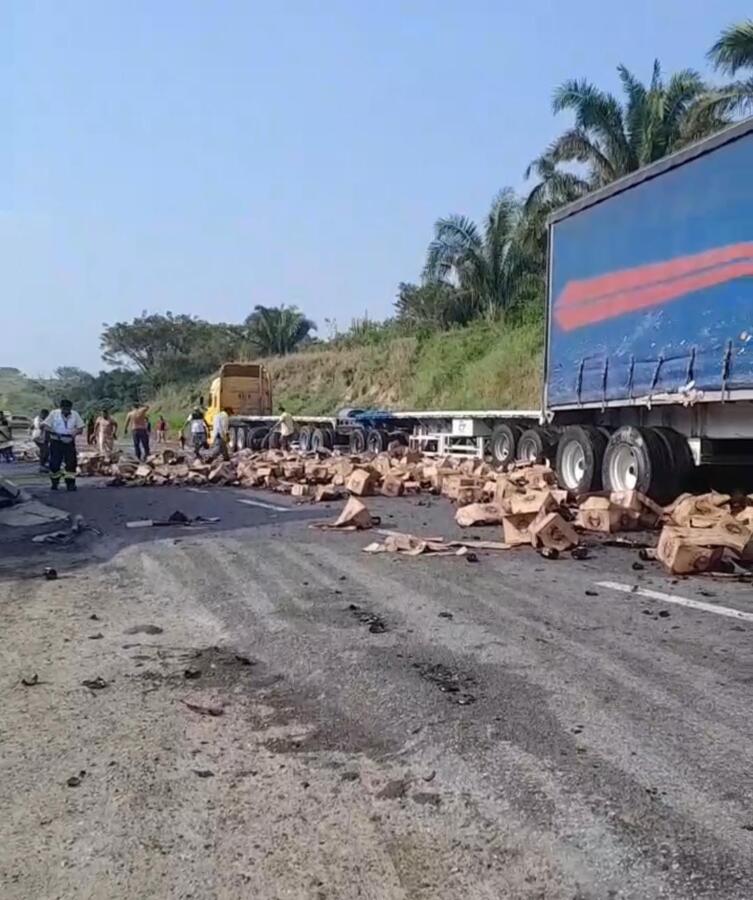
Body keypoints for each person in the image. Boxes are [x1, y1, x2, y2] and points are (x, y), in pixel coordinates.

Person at [43, 399, 84, 491]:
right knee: (54, 463)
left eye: (68, 409)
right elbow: (45, 426)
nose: (66, 411)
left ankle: (70, 483)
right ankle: (55, 481)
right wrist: (54, 432)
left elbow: (80, 428)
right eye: (64, 409)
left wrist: (75, 433)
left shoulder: (75, 414)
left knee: (71, 463)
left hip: (69, 441)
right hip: (56, 441)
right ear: (61, 408)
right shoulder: (54, 414)